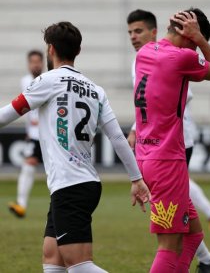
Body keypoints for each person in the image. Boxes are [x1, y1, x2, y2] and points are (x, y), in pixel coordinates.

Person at [0, 21, 150, 273]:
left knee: (79, 265)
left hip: (71, 185)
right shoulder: (95, 90)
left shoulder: (47, 80)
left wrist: (137, 179)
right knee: (52, 257)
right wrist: (136, 178)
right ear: (77, 51)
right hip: (81, 183)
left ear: (50, 49)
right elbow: (117, 138)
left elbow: (7, 115)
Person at [126, 9, 210, 272]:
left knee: (193, 235)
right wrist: (201, 41)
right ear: (189, 35)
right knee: (168, 246)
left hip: (146, 157)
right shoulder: (183, 57)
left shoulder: (143, 53)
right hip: (167, 160)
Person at [8, 50, 44, 218]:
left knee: (54, 170)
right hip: (35, 135)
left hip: (48, 134)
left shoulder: (48, 79)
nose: (35, 64)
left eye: (38, 61)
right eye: (32, 61)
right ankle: (21, 204)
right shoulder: (25, 81)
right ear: (28, 64)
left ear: (43, 63)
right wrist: (29, 131)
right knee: (28, 165)